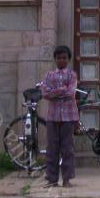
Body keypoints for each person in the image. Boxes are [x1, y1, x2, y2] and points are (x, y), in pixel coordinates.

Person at [41, 45, 78, 188]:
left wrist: (55, 92)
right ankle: (52, 179)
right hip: (52, 117)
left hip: (69, 117)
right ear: (55, 59)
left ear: (68, 59)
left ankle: (67, 178)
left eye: (64, 58)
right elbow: (45, 93)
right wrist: (61, 90)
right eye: (58, 58)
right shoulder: (50, 75)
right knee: (52, 149)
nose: (61, 60)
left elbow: (71, 92)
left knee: (67, 148)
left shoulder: (72, 75)